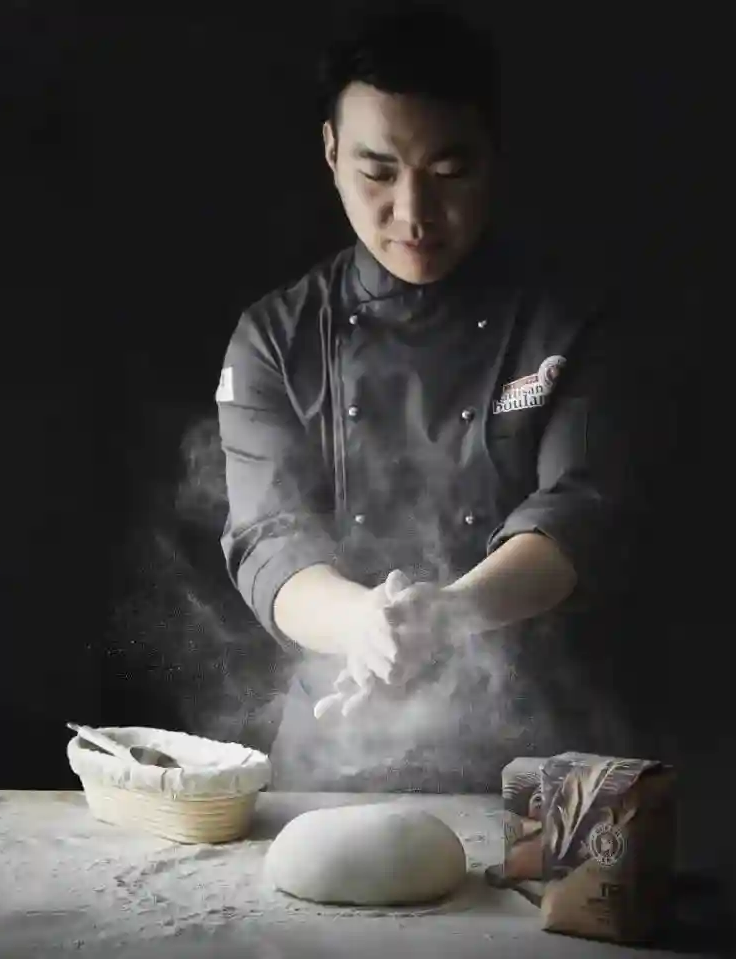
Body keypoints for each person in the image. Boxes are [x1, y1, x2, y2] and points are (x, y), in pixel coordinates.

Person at [217, 4, 655, 792]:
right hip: (332, 746)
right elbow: (268, 539)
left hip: (535, 756)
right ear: (331, 152)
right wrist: (365, 625)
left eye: (449, 172)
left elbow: (581, 510)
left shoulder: (570, 322)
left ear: (493, 155)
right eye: (377, 172)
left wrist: (449, 614)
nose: (413, 213)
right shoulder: (275, 339)